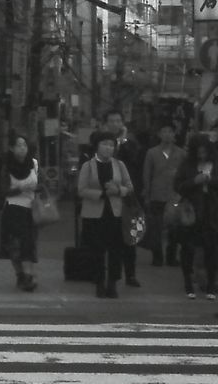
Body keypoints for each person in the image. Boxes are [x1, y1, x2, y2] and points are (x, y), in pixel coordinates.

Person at [173, 136, 218, 300]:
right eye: (198, 151)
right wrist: (194, 181)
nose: (202, 154)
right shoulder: (187, 165)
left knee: (212, 249)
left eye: (204, 151)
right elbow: (177, 185)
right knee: (189, 249)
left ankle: (211, 285)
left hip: (213, 212)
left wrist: (211, 180)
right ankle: (190, 283)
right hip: (192, 211)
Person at [77, 130, 133, 299]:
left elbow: (130, 187)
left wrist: (118, 190)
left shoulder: (119, 165)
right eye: (105, 144)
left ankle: (113, 283)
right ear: (97, 146)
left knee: (116, 249)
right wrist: (101, 194)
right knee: (96, 250)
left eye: (111, 145)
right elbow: (81, 190)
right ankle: (99, 282)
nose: (108, 148)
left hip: (115, 213)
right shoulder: (88, 165)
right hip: (94, 214)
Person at [103, 110, 145, 288]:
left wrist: (123, 141)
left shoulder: (131, 143)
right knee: (109, 237)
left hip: (128, 195)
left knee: (130, 234)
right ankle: (112, 273)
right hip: (108, 196)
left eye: (118, 121)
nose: (115, 124)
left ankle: (131, 274)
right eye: (112, 121)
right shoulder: (101, 142)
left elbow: (135, 160)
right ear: (106, 123)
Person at [0, 133, 39, 292]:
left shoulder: (34, 163)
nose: (22, 149)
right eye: (19, 145)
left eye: (24, 145)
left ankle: (28, 277)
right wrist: (21, 188)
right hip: (13, 209)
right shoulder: (7, 166)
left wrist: (37, 190)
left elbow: (39, 184)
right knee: (14, 246)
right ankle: (20, 274)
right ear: (11, 148)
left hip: (31, 209)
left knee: (29, 245)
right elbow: (3, 191)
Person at [142, 121, 186, 268]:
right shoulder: (152, 152)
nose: (167, 134)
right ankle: (157, 256)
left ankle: (171, 256)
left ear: (174, 134)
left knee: (174, 228)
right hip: (157, 194)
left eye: (170, 131)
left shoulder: (181, 153)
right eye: (164, 131)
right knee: (155, 227)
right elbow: (147, 174)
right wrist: (147, 194)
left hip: (175, 195)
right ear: (159, 134)